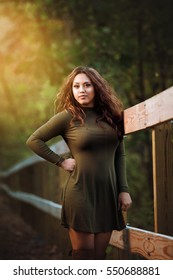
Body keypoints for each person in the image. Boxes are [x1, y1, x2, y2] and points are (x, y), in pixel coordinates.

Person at [26, 66, 132, 260]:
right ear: (71, 90)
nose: (81, 90)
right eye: (76, 86)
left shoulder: (111, 117)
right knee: (83, 255)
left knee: (99, 256)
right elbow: (34, 140)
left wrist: (123, 190)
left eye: (86, 85)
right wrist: (61, 162)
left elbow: (119, 155)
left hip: (107, 195)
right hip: (80, 192)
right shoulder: (68, 117)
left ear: (97, 88)